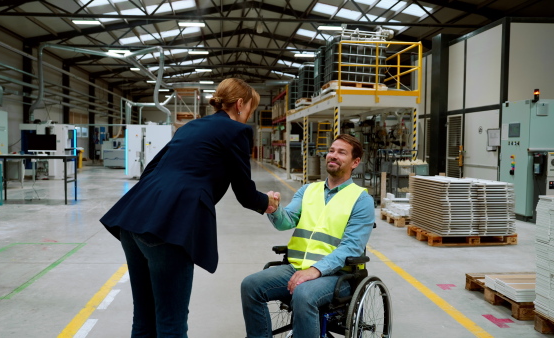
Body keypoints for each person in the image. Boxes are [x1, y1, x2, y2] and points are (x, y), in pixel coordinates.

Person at [100, 78, 279, 337]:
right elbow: (245, 194)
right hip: (169, 226)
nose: (249, 114)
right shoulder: (236, 132)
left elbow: (150, 170)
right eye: (251, 108)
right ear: (240, 104)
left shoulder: (190, 127)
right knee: (172, 321)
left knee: (144, 316)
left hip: (133, 217)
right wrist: (269, 204)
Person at [241, 134, 375, 338]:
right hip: (297, 267)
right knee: (251, 285)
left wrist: (315, 270)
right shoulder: (307, 190)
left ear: (355, 162)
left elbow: (352, 247)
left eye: (341, 152)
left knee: (304, 293)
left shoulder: (361, 200)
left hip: (339, 275)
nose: (333, 155)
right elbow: (286, 221)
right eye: (331, 151)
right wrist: (274, 209)